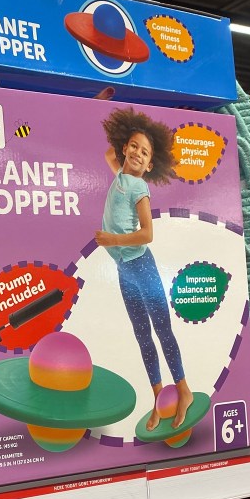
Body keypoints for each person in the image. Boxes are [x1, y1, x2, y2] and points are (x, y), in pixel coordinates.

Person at [94, 107, 193, 431]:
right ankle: (159, 398)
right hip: (124, 269)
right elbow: (109, 152)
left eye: (145, 152)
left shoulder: (139, 187)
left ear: (150, 164)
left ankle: (184, 390)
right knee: (141, 334)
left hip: (142, 265)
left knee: (162, 329)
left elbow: (148, 233)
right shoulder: (119, 175)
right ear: (125, 148)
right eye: (134, 146)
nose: (138, 153)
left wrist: (113, 239)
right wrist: (126, 128)